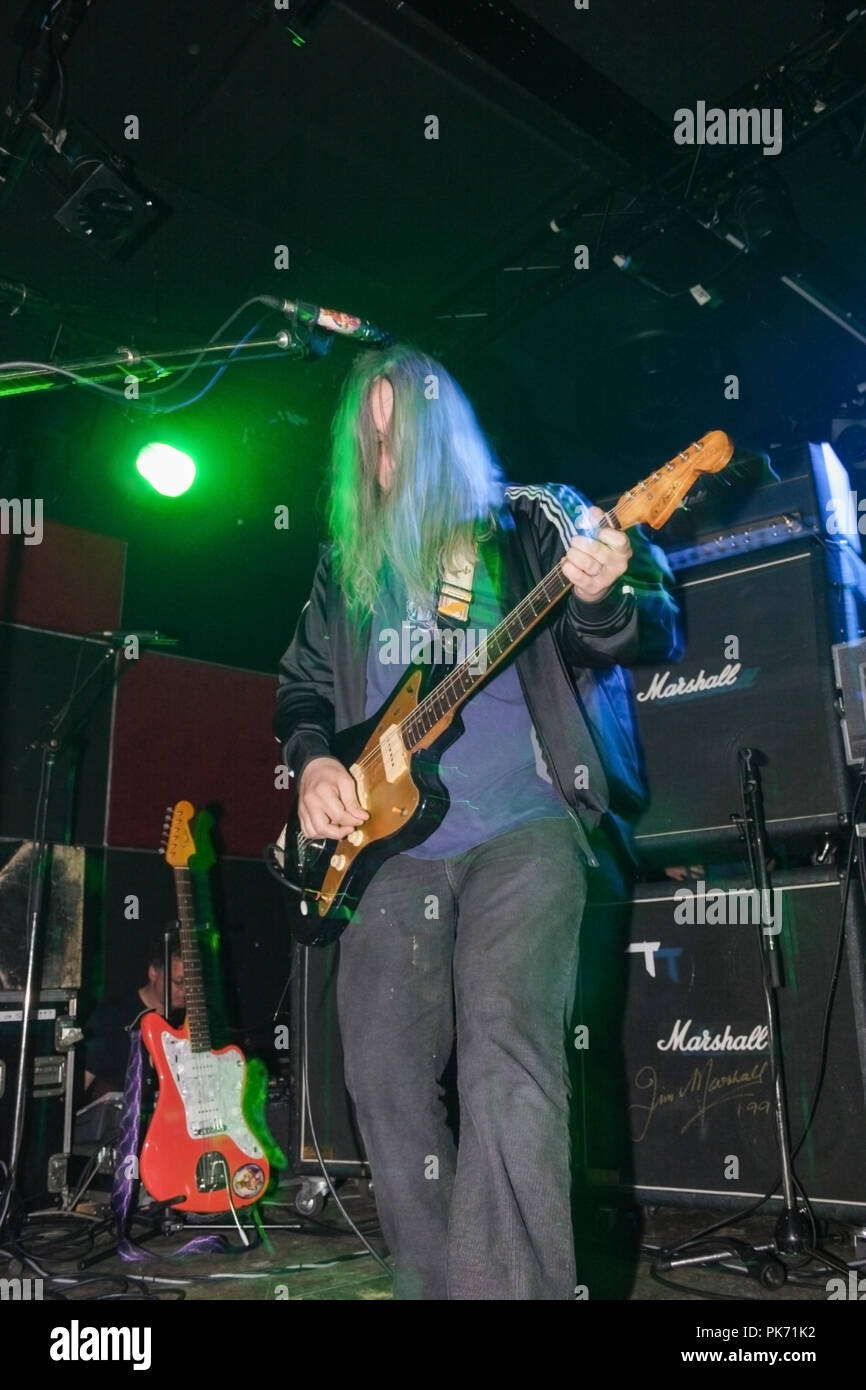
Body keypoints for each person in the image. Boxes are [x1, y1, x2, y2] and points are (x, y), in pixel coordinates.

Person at [274, 345, 682, 1300]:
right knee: (379, 1075)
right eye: (367, 443)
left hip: (524, 829)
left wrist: (604, 593)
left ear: (440, 429)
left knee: (508, 1054)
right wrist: (315, 762)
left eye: (398, 433)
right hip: (389, 856)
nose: (384, 456)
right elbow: (298, 690)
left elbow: (644, 628)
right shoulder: (347, 563)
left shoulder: (534, 519)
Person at [82, 934, 185, 1100]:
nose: (186, 991)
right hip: (124, 1120)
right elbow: (80, 1084)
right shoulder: (113, 1017)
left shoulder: (192, 1020)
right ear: (153, 972)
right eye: (179, 982)